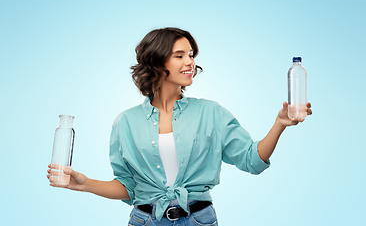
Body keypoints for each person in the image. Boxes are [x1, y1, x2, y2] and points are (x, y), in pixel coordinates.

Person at [47, 27, 312, 225]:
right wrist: (84, 184)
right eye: (179, 55)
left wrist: (279, 125)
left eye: (191, 55)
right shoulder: (125, 123)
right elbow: (128, 188)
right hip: (144, 220)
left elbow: (251, 161)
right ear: (158, 61)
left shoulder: (211, 112)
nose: (190, 62)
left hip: (198, 219)